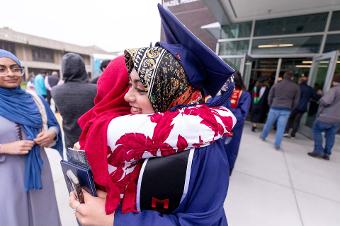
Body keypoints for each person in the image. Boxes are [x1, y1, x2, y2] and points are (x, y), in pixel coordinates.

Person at [69, 4, 237, 226]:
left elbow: (202, 222)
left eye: (141, 88)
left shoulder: (205, 149)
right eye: (129, 85)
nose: (127, 96)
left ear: (170, 90)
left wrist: (116, 221)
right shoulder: (139, 133)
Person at [0, 49, 63, 226]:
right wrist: (5, 148)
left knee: (44, 215)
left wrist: (51, 133)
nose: (10, 74)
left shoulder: (34, 99)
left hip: (39, 171)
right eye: (2, 69)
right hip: (6, 174)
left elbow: (53, 125)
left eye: (15, 68)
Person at [51, 53, 97, 149]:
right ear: (82, 68)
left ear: (63, 69)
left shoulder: (55, 90)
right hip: (92, 141)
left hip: (70, 141)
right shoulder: (95, 89)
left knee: (72, 163)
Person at [260, 71, 300, 150]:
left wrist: (270, 104)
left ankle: (263, 136)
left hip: (274, 107)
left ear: (283, 77)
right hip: (286, 109)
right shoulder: (296, 87)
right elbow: (296, 101)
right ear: (291, 77)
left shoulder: (276, 85)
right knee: (281, 128)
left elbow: (270, 96)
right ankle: (277, 144)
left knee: (268, 124)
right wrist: (292, 108)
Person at [308, 75, 340, 160]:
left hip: (326, 117)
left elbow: (325, 102)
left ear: (335, 81)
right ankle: (327, 153)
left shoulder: (334, 90)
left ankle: (318, 150)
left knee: (316, 130)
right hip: (338, 120)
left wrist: (321, 97)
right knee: (331, 135)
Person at [224, 71, 251, 174]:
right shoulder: (224, 92)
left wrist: (226, 111)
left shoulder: (244, 95)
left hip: (234, 127)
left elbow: (242, 114)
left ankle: (227, 170)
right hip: (221, 126)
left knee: (231, 149)